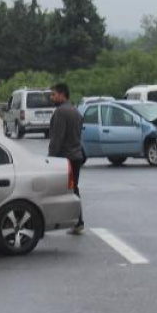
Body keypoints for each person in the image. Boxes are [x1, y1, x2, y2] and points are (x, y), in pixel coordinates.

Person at [48, 82, 85, 235]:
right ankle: (78, 222)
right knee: (73, 189)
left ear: (62, 94)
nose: (52, 97)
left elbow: (56, 139)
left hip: (64, 159)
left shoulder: (60, 113)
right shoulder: (75, 111)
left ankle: (48, 223)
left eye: (54, 94)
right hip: (76, 156)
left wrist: (50, 160)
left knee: (52, 191)